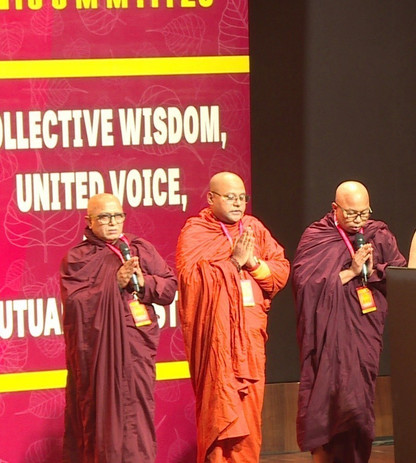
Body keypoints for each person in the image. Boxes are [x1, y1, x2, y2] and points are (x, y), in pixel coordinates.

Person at [175, 172, 290, 462]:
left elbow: (279, 273)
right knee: (220, 413)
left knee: (249, 418)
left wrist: (252, 262)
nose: (238, 203)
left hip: (250, 342)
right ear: (211, 198)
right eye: (230, 197)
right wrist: (233, 263)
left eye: (242, 197)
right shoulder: (196, 232)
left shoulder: (254, 228)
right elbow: (190, 281)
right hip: (218, 343)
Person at [292, 181, 406, 463]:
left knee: (357, 404)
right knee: (329, 406)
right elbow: (305, 286)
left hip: (363, 336)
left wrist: (374, 271)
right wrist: (352, 271)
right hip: (328, 341)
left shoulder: (378, 234)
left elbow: (399, 274)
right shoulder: (317, 236)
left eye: (364, 213)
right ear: (335, 208)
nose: (359, 220)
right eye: (352, 214)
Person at [60, 193, 177, 462]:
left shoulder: (140, 248)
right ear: (89, 221)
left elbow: (169, 288)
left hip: (137, 348)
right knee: (105, 418)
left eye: (118, 215)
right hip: (100, 356)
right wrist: (113, 283)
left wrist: (143, 282)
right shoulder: (78, 259)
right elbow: (77, 304)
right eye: (104, 217)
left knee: (138, 414)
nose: (113, 222)